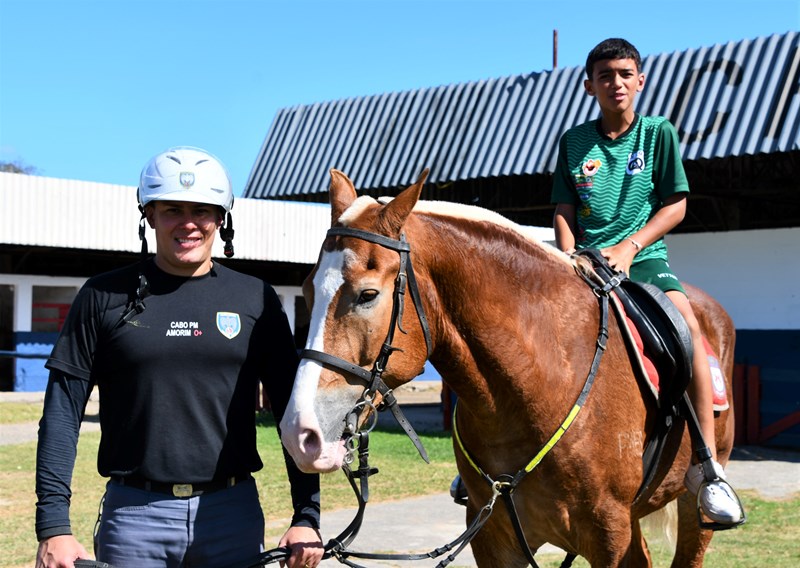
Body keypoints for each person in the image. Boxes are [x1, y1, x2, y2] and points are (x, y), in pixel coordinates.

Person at [35, 146, 324, 568]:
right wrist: (54, 526)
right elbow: (62, 414)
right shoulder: (102, 296)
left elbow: (291, 411)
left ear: (221, 217)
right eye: (172, 209)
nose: (188, 223)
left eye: (202, 210)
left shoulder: (256, 298)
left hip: (231, 514)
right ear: (148, 214)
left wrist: (307, 515)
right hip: (134, 518)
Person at [550, 38, 743, 526]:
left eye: (624, 73)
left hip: (645, 260)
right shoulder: (573, 141)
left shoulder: (659, 133)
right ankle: (496, 457)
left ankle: (707, 468)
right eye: (605, 75)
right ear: (588, 84)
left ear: (640, 80)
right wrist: (571, 254)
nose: (616, 82)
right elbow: (563, 209)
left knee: (690, 329)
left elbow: (675, 204)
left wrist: (630, 247)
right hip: (585, 265)